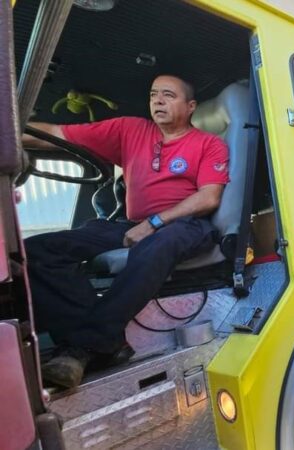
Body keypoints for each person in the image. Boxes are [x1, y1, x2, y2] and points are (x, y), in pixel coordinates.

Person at [23, 75, 230, 389]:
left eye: (168, 95)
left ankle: (84, 347)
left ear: (190, 107)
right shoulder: (129, 130)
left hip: (186, 226)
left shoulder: (209, 144)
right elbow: (55, 134)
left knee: (159, 241)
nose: (157, 101)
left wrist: (155, 223)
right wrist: (11, 131)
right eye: (153, 94)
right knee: (36, 251)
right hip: (133, 224)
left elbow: (208, 197)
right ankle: (102, 341)